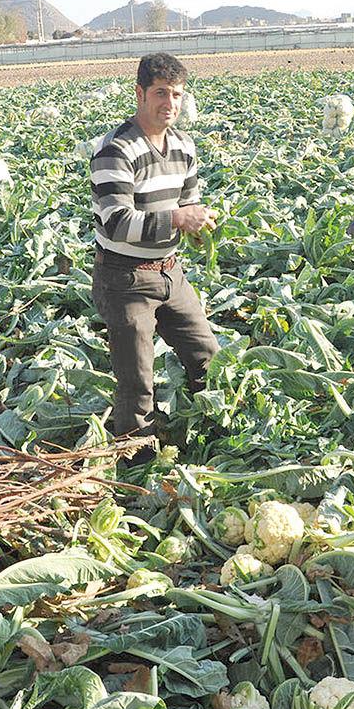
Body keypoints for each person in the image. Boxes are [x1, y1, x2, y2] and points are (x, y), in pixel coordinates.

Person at [90, 52, 220, 465]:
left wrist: (198, 222)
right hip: (125, 280)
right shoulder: (116, 151)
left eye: (177, 95)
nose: (170, 103)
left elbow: (189, 201)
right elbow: (116, 221)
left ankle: (215, 434)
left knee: (208, 357)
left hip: (171, 274)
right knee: (137, 384)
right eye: (161, 93)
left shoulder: (184, 146)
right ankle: (135, 467)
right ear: (140, 94)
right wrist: (178, 218)